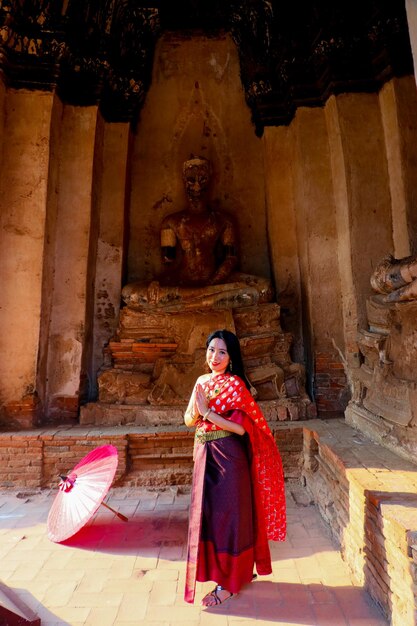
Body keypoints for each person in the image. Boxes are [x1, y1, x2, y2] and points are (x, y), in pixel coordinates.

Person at [184, 329, 286, 606]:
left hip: (229, 458)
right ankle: (231, 572)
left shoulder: (236, 385)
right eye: (211, 350)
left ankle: (227, 584)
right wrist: (197, 410)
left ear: (231, 357)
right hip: (204, 455)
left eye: (221, 352)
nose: (214, 357)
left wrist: (207, 413)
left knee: (229, 519)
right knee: (209, 519)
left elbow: (241, 428)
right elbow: (187, 420)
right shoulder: (201, 381)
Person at [121, 156, 273, 311]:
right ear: (184, 180)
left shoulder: (223, 220)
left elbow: (230, 259)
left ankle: (191, 303)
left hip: (216, 282)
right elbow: (168, 264)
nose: (196, 185)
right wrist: (157, 282)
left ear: (210, 180)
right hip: (183, 282)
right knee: (129, 294)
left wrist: (211, 284)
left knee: (264, 289)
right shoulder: (171, 221)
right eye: (191, 179)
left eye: (202, 179)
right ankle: (204, 301)